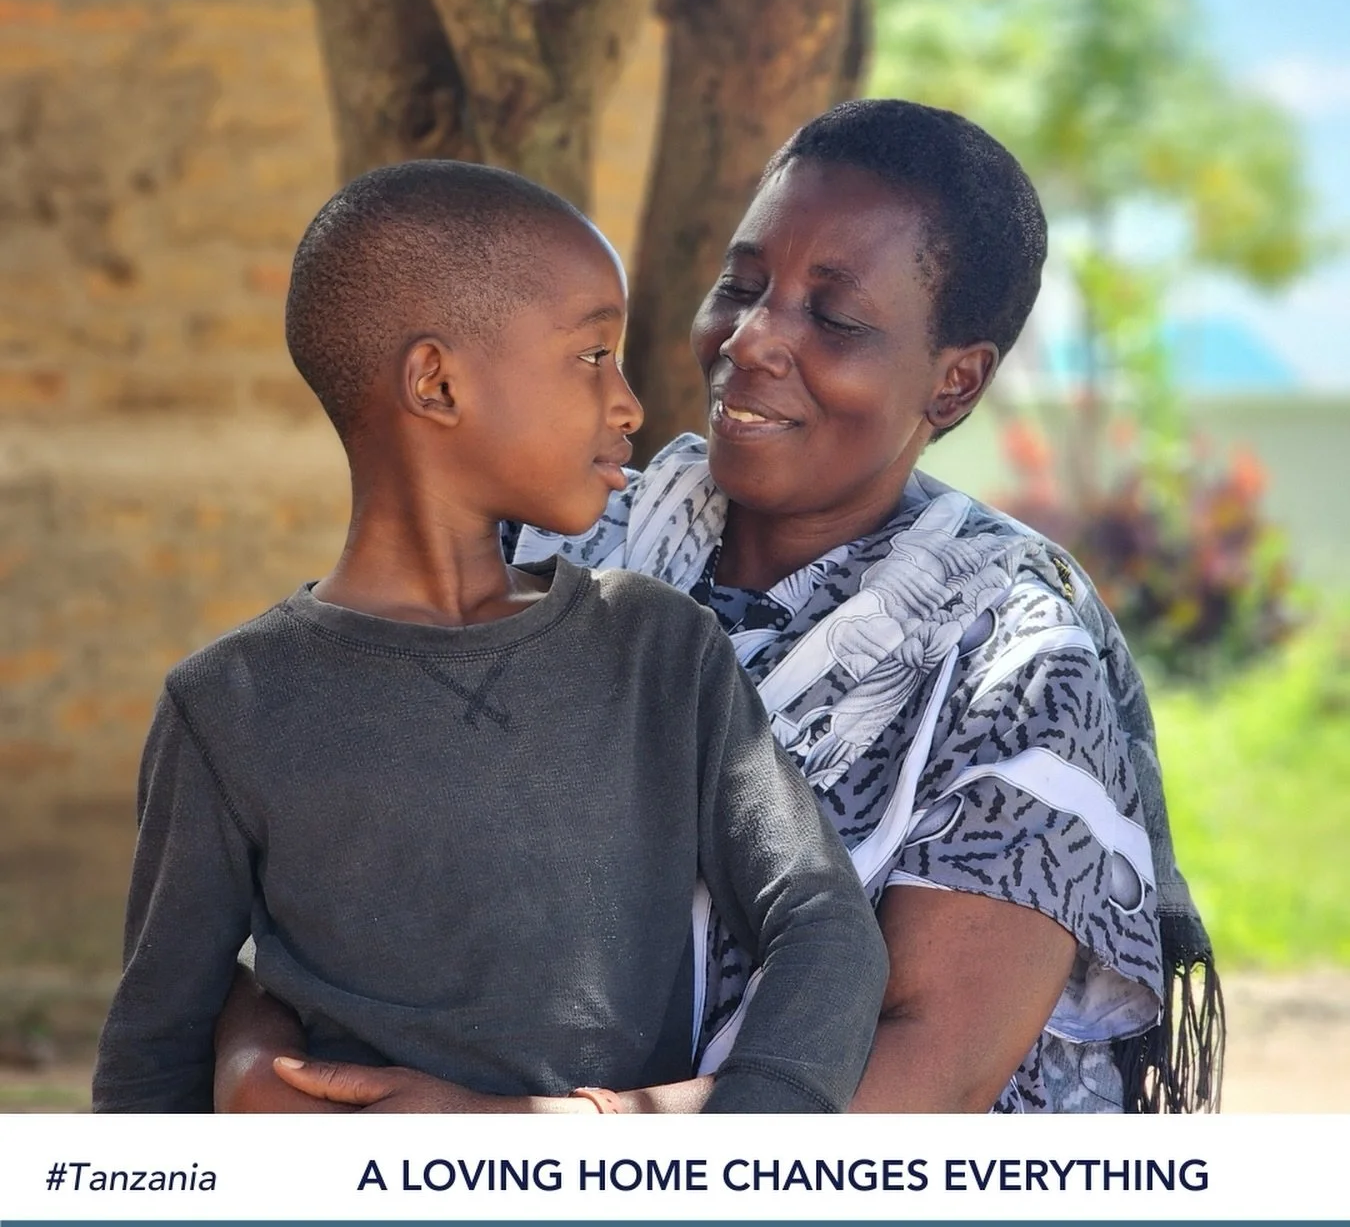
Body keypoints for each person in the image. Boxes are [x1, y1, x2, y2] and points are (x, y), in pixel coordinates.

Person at [218, 99, 1222, 1116]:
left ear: (955, 383)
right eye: (742, 285)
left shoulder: (1010, 651)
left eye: (831, 318)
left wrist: (515, 1141)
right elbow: (308, 888)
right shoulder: (560, 539)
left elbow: (932, 1074)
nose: (752, 339)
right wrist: (262, 1068)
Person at [92, 160, 891, 1115]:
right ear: (436, 383)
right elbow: (154, 1057)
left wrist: (740, 1146)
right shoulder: (229, 706)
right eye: (593, 355)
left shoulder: (657, 649)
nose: (632, 403)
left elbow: (824, 922)